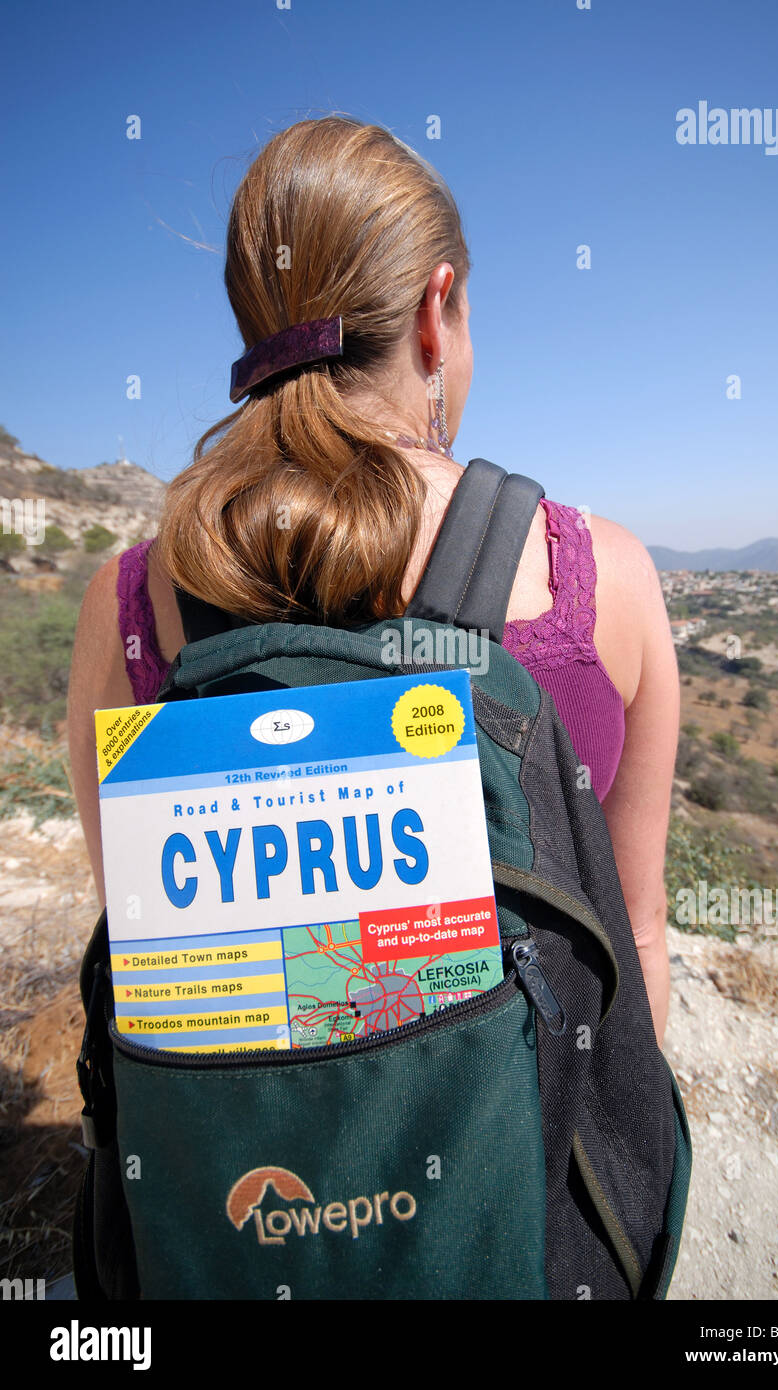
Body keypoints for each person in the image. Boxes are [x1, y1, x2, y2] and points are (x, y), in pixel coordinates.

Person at [67, 115, 679, 1045]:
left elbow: (146, 943)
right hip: (513, 1136)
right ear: (437, 310)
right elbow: (638, 933)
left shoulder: (129, 602)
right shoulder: (600, 575)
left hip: (238, 1130)